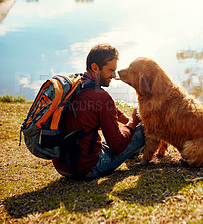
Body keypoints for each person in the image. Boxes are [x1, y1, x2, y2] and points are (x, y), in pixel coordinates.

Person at [52, 43, 145, 181]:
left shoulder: (75, 84)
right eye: (110, 70)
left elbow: (107, 108)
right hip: (90, 168)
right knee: (144, 130)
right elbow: (117, 147)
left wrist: (125, 120)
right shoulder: (101, 97)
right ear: (95, 67)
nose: (114, 76)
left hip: (62, 166)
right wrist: (133, 122)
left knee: (124, 131)